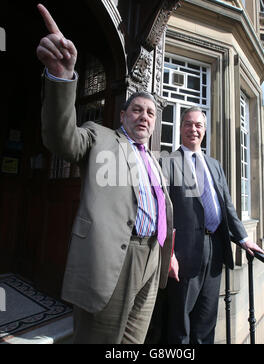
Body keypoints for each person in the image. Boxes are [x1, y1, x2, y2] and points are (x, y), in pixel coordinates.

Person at [36, 4, 173, 344]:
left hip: (152, 260)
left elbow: (162, 211)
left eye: (151, 113)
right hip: (113, 258)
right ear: (123, 115)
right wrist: (62, 77)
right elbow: (62, 139)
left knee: (132, 343)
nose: (144, 117)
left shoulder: (155, 161)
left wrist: (168, 254)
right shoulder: (100, 138)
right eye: (137, 110)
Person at [163, 107, 264, 344]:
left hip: (215, 248)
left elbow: (226, 205)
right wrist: (168, 252)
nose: (193, 129)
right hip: (184, 252)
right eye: (188, 124)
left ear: (205, 130)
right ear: (181, 128)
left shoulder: (214, 165)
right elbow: (164, 213)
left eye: (198, 125)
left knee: (206, 320)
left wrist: (243, 238)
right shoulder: (168, 162)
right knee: (180, 324)